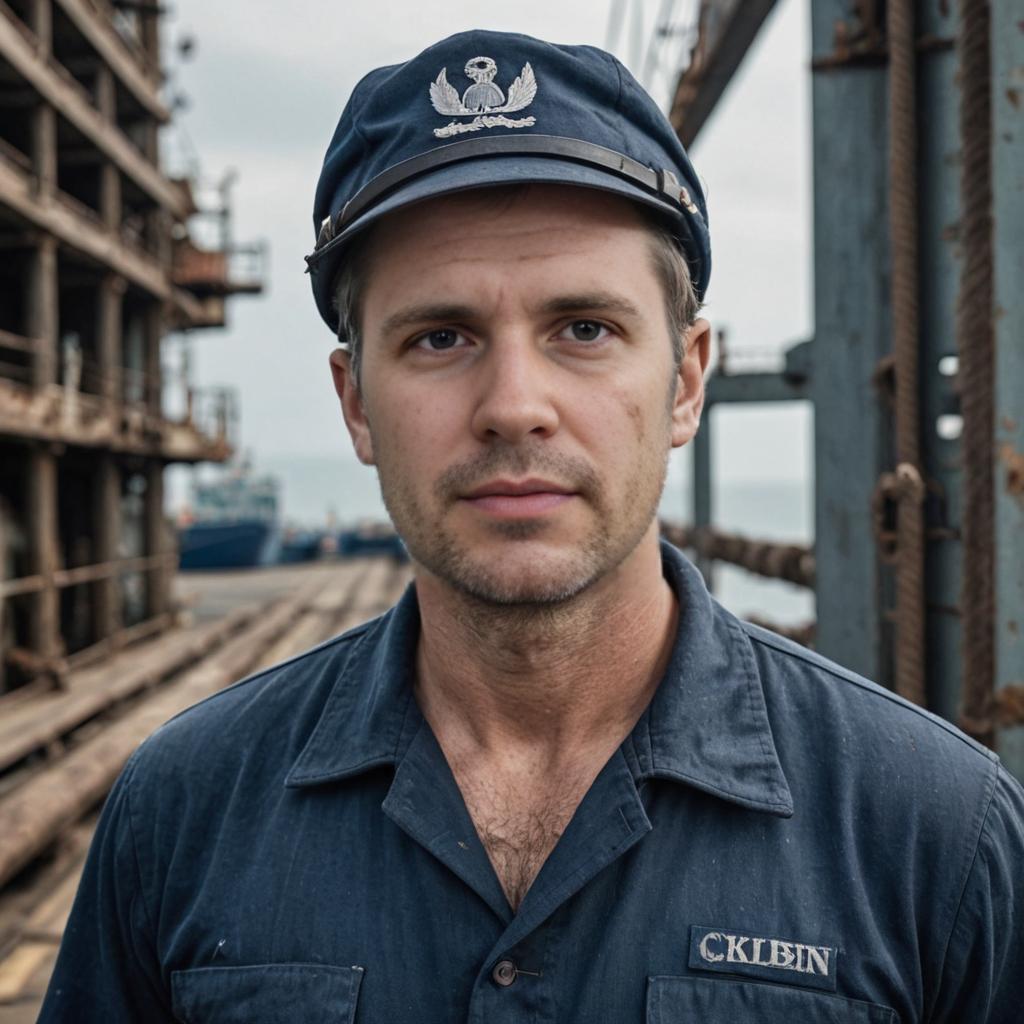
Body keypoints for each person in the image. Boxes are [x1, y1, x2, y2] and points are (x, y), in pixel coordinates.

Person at [40, 29, 1023, 1023]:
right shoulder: (181, 812)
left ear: (685, 380)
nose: (514, 403)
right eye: (440, 336)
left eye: (584, 330)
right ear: (354, 402)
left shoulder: (933, 832)